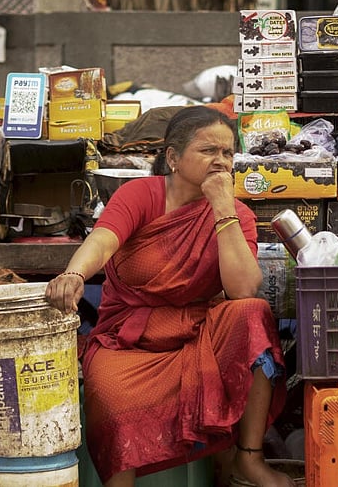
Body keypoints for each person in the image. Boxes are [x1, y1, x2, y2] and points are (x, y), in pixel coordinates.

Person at [45, 106, 294, 487]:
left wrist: (222, 208)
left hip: (196, 332)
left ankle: (249, 458)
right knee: (111, 397)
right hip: (129, 339)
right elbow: (103, 239)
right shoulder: (140, 194)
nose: (220, 161)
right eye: (208, 150)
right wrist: (75, 273)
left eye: (228, 153)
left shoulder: (237, 213)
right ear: (174, 158)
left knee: (253, 313)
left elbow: (242, 289)